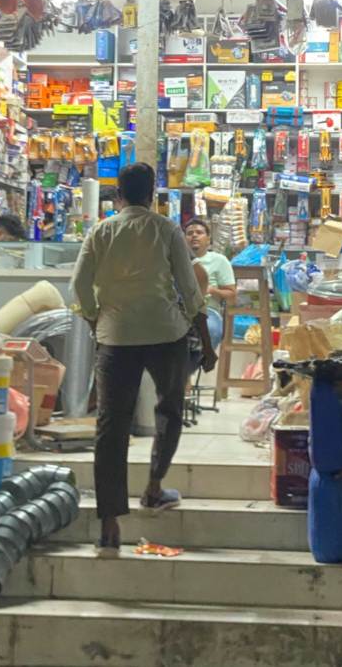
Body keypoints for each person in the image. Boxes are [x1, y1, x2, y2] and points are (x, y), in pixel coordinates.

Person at [71, 162, 217, 557]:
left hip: (115, 337)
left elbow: (79, 285)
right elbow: (189, 289)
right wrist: (205, 341)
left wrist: (95, 318)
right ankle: (153, 489)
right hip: (166, 333)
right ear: (152, 195)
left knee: (111, 426)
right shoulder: (166, 229)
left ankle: (109, 523)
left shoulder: (101, 231)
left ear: (117, 195)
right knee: (169, 409)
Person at [184, 217, 237, 354]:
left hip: (208, 311)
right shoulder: (176, 260)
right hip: (180, 311)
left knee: (210, 329)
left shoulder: (219, 260)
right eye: (189, 233)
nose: (194, 235)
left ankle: (198, 362)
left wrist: (212, 290)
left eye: (199, 232)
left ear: (208, 239)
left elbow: (232, 294)